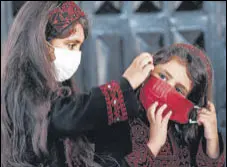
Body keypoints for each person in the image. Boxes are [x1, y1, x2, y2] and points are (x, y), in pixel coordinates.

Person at [1, 1, 154, 167]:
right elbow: (63, 117)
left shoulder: (59, 90)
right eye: (70, 45)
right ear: (40, 42)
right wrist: (124, 87)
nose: (76, 55)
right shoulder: (20, 93)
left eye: (79, 47)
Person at [92, 43, 226, 167]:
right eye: (162, 76)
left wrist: (212, 138)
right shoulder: (115, 119)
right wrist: (154, 145)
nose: (166, 88)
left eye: (178, 90)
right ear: (147, 73)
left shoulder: (181, 134)